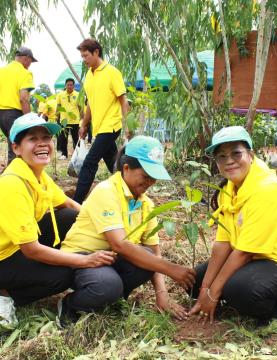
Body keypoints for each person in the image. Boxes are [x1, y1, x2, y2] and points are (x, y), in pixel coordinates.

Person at [0, 113, 115, 325]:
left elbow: (69, 204)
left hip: (16, 244)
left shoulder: (37, 174)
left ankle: (36, 275)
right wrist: (84, 260)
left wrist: (106, 226)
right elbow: (31, 250)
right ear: (16, 148)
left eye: (46, 138)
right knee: (62, 275)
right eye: (33, 139)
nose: (42, 144)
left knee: (71, 217)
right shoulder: (12, 185)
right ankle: (4, 293)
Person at [60, 136, 196, 325]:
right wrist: (171, 269)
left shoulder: (146, 203)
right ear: (126, 168)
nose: (151, 181)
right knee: (108, 285)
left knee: (147, 257)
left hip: (110, 258)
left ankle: (111, 300)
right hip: (81, 257)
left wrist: (162, 294)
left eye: (154, 177)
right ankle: (71, 305)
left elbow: (154, 251)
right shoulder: (106, 191)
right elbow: (119, 244)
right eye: (146, 175)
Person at [189, 126, 277, 324]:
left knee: (239, 290)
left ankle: (272, 310)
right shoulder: (229, 188)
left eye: (236, 153)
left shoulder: (269, 191)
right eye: (221, 156)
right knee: (194, 283)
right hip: (251, 257)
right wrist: (205, 289)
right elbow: (223, 244)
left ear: (250, 154)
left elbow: (244, 253)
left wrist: (213, 295)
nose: (229, 161)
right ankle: (230, 293)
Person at [73, 39, 130, 203]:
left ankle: (76, 202)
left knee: (90, 162)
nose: (84, 59)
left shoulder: (112, 72)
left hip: (111, 125)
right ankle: (128, 189)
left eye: (85, 55)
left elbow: (122, 99)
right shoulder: (89, 75)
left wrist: (128, 126)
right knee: (114, 163)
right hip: (98, 127)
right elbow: (90, 103)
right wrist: (84, 124)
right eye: (82, 56)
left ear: (96, 52)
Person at [0, 46, 36, 164]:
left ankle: (14, 172)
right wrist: (29, 120)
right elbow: (24, 99)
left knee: (14, 144)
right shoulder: (25, 73)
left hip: (0, 115)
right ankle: (12, 175)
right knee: (17, 148)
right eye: (31, 61)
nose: (30, 64)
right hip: (15, 115)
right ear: (26, 58)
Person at [56, 78, 81, 160]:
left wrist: (82, 119)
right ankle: (64, 154)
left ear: (73, 86)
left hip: (75, 121)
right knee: (63, 138)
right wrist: (57, 117)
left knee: (76, 138)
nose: (69, 86)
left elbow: (81, 108)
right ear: (65, 85)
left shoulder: (78, 95)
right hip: (64, 121)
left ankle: (77, 154)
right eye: (68, 85)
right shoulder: (60, 95)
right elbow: (58, 107)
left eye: (71, 85)